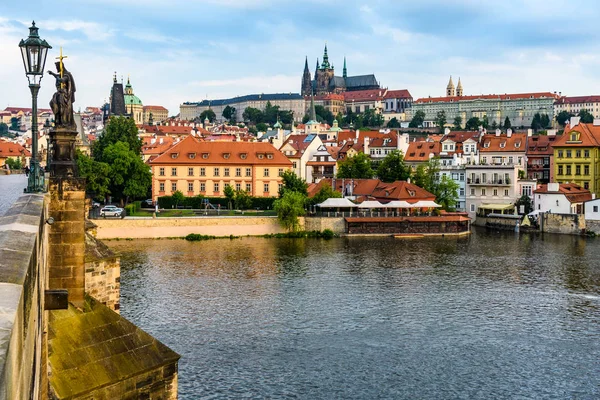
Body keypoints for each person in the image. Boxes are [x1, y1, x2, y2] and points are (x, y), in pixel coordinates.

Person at [48, 61, 76, 129]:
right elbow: (58, 76)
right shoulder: (61, 74)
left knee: (62, 108)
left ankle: (63, 122)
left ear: (60, 67)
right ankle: (58, 120)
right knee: (52, 103)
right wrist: (52, 74)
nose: (56, 69)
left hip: (64, 95)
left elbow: (61, 80)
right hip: (59, 93)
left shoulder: (67, 75)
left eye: (57, 67)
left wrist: (55, 76)